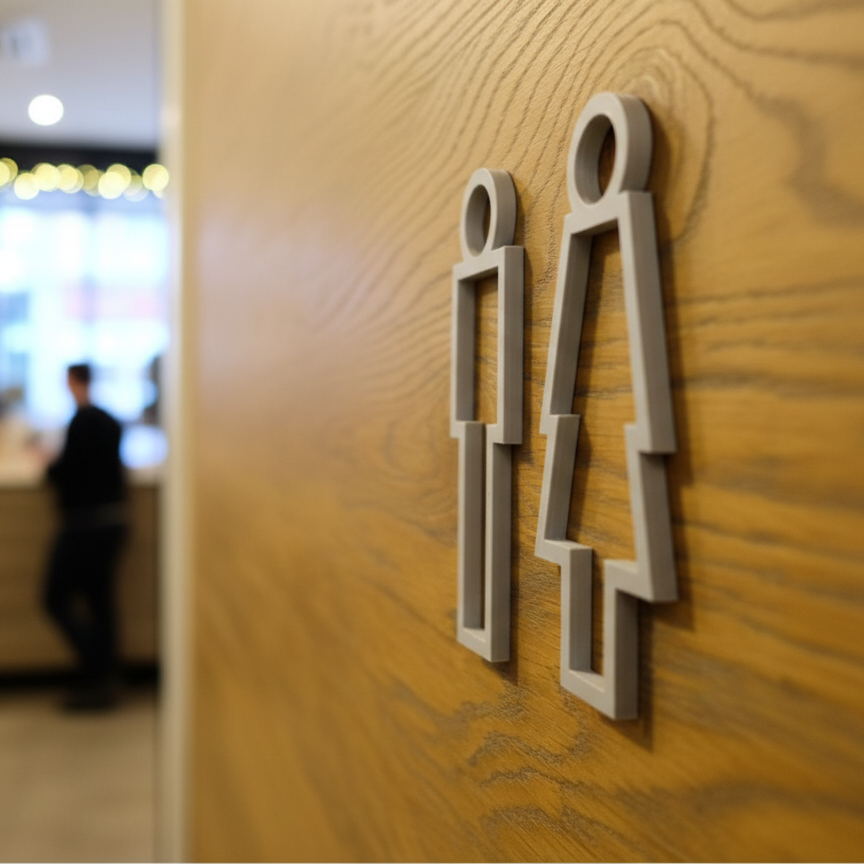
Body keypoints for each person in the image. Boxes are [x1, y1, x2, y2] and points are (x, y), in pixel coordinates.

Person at [43, 363, 128, 710]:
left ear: (73, 382)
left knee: (54, 597)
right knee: (99, 601)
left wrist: (49, 466)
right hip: (114, 521)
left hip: (85, 523)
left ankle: (97, 669)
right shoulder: (108, 421)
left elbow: (67, 472)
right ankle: (104, 678)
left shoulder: (82, 422)